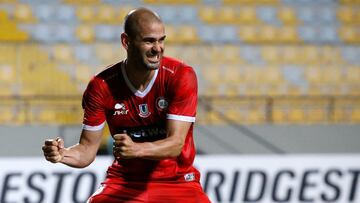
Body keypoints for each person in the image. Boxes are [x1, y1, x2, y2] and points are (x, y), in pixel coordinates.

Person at [42, 7, 211, 203]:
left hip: (178, 181)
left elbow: (176, 144)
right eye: (149, 41)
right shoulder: (101, 86)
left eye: (161, 40)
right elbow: (87, 150)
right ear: (126, 41)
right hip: (125, 182)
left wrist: (137, 149)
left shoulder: (180, 75)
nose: (157, 48)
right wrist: (63, 155)